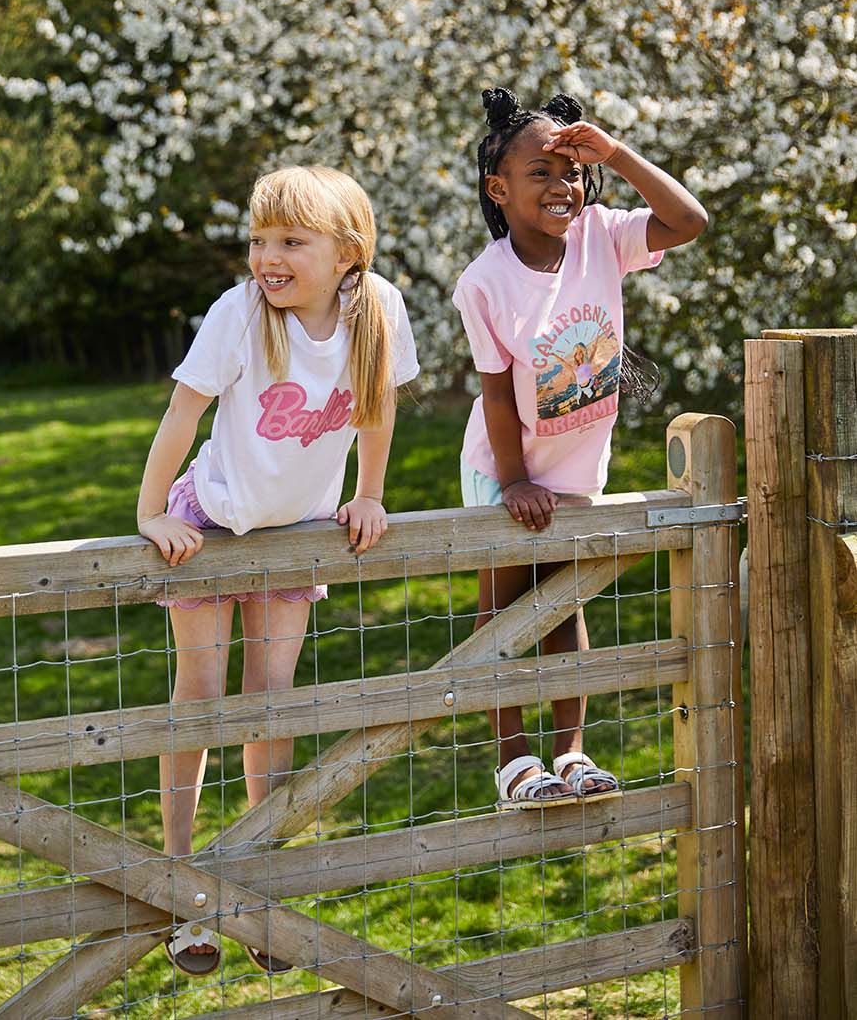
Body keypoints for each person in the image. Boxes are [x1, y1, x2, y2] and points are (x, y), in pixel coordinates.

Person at [137, 165, 419, 974]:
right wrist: (151, 514)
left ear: (346, 251)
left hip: (292, 537)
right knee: (201, 697)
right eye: (260, 239)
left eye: (292, 241)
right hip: (211, 527)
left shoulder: (380, 311)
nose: (269, 255)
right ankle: (181, 885)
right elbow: (183, 413)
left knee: (272, 702)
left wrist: (369, 495)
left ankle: (259, 889)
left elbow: (378, 405)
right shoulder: (240, 313)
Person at [453, 88, 707, 809]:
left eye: (571, 171)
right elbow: (498, 395)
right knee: (503, 620)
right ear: (498, 190)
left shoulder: (604, 235)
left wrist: (618, 155)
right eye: (541, 172)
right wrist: (512, 485)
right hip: (505, 473)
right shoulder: (485, 282)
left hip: (574, 475)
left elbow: (689, 220)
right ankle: (513, 762)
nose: (562, 186)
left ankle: (570, 753)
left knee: (565, 610)